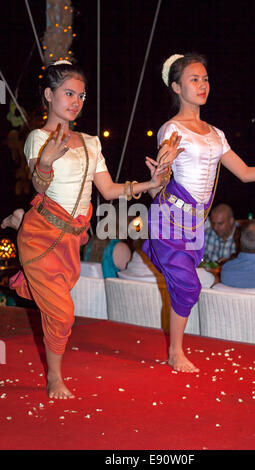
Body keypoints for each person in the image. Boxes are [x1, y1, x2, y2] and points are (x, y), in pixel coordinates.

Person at [8, 60, 180, 400]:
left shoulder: (90, 142)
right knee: (62, 312)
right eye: (68, 93)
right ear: (49, 94)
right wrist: (44, 162)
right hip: (42, 236)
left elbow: (110, 190)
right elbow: (41, 186)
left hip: (71, 238)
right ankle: (54, 379)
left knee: (59, 305)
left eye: (81, 95)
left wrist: (150, 183)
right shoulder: (37, 138)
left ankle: (18, 219)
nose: (76, 101)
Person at [143, 53, 255, 373]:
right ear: (176, 86)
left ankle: (175, 349)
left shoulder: (215, 133)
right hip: (170, 217)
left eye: (205, 79)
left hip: (196, 222)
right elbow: (159, 178)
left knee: (185, 285)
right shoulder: (171, 130)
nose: (202, 85)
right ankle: (175, 352)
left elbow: (241, 172)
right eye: (193, 80)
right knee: (188, 286)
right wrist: (163, 165)